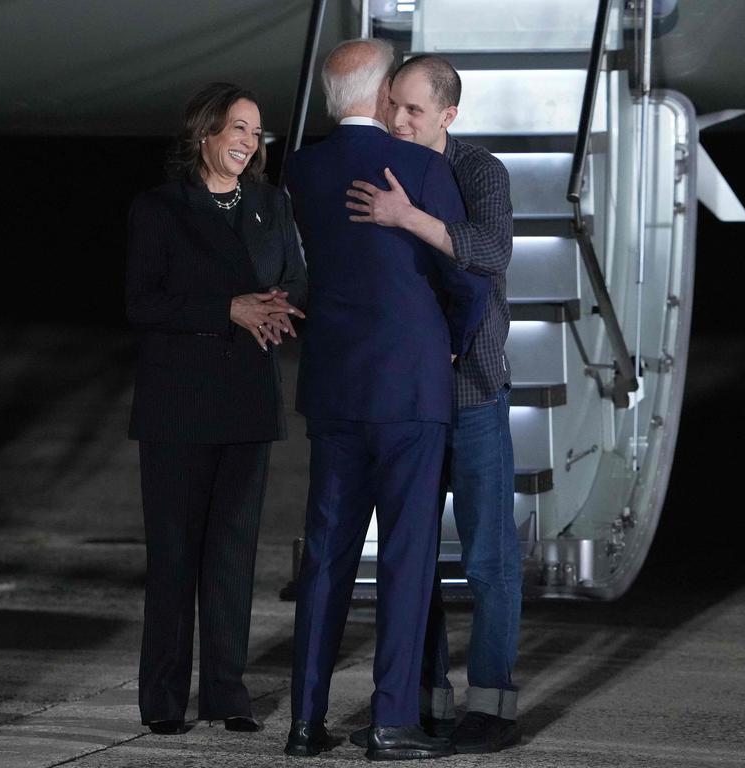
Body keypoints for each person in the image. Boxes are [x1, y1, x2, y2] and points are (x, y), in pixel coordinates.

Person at [283, 39, 489, 761]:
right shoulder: (426, 169)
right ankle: (391, 722)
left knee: (328, 557)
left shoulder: (301, 170)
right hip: (409, 386)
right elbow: (466, 281)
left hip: (335, 386)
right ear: (378, 99)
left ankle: (305, 722)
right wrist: (451, 339)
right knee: (407, 558)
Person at [345, 54, 520, 754]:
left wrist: (406, 217)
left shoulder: (479, 171)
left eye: (414, 109)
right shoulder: (386, 160)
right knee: (414, 555)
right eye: (394, 105)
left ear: (448, 115)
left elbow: (491, 251)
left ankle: (493, 705)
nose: (398, 119)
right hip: (408, 395)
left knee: (487, 557)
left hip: (473, 390)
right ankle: (422, 697)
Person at [125, 81, 307, 735]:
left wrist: (277, 306)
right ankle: (163, 699)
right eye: (237, 127)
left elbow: (295, 277)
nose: (248, 141)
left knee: (232, 557)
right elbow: (141, 304)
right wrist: (225, 309)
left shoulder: (269, 203)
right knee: (174, 557)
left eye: (256, 132)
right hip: (177, 405)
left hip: (246, 400)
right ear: (204, 132)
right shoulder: (159, 208)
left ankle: (227, 692)